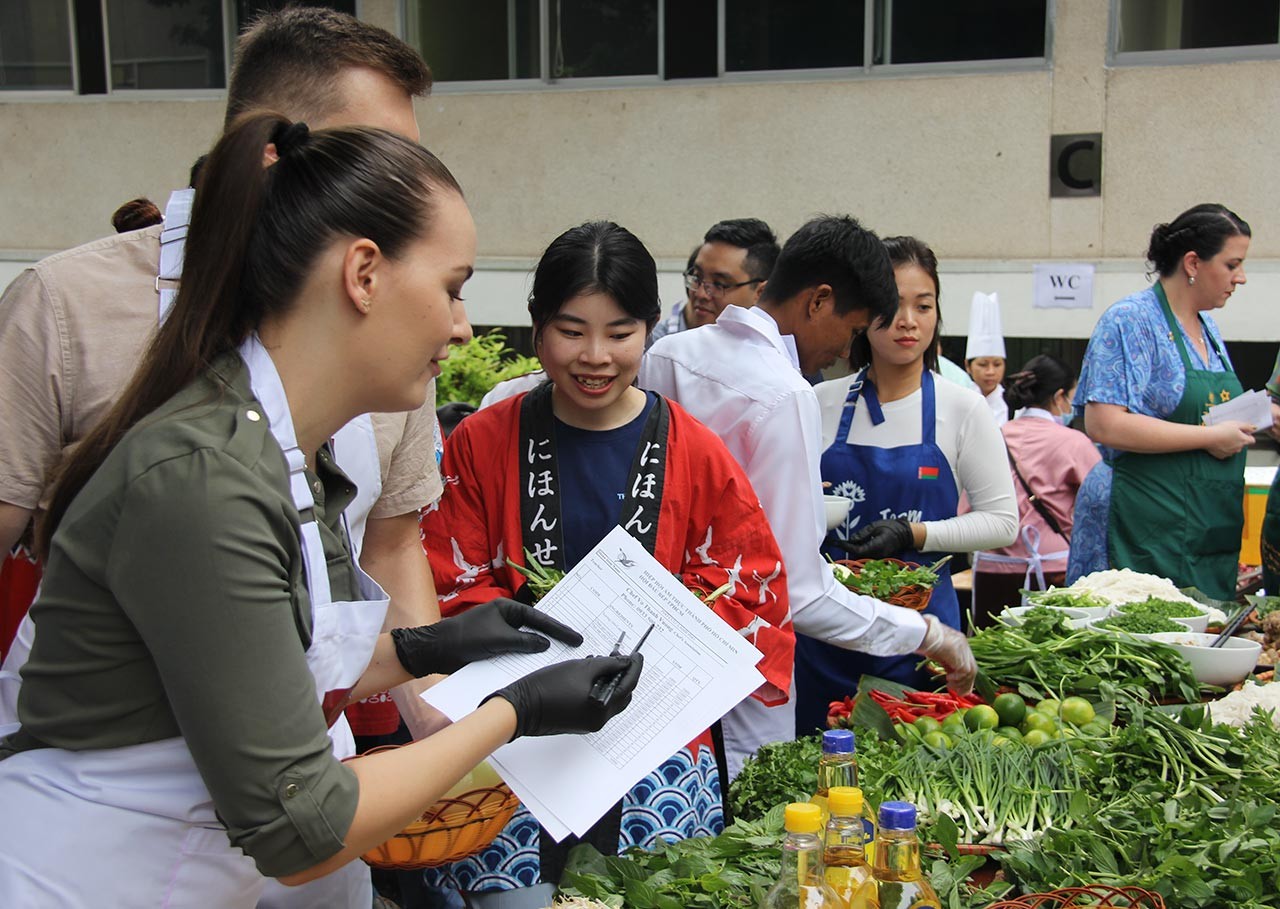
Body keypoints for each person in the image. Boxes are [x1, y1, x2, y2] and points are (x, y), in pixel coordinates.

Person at [0, 113, 640, 908]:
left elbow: (260, 659)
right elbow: (297, 831)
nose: (461, 325)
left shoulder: (283, 451)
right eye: (452, 288)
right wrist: (517, 709)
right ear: (363, 273)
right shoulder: (207, 478)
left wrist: (427, 644)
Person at [0, 9, 462, 906]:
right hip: (126, 822)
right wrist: (500, 719)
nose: (455, 325)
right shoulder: (70, 310)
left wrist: (437, 682)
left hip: (297, 788)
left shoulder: (387, 359)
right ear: (274, 158)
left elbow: (383, 548)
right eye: (366, 160)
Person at [420, 221, 794, 891]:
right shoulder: (482, 440)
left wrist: (676, 634)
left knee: (660, 893)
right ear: (537, 328)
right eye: (571, 330)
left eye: (620, 333)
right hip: (511, 736)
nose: (595, 355)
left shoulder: (696, 450)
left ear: (651, 328)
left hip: (655, 746)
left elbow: (750, 586)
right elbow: (446, 581)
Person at [641, 216, 977, 772]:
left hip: (655, 653)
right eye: (851, 331)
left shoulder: (669, 354)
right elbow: (796, 591)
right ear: (819, 300)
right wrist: (929, 633)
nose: (845, 351)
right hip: (737, 674)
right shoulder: (786, 393)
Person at [801, 236, 1015, 722]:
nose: (908, 321)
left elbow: (1003, 523)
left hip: (922, 640)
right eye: (893, 305)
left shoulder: (962, 407)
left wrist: (915, 534)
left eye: (924, 305)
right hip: (826, 633)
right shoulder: (818, 401)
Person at [1071, 203, 1253, 601]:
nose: (1240, 278)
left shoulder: (1208, 328)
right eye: (1232, 264)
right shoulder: (1130, 320)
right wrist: (1208, 437)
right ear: (1193, 262)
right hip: (1137, 521)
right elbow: (1105, 424)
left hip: (1199, 526)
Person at [970, 354, 1100, 625]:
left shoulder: (992, 436)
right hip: (1054, 571)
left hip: (991, 570)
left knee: (992, 653)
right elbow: (1100, 503)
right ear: (1060, 396)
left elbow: (965, 507)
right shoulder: (1074, 443)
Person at [648, 218, 779, 346]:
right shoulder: (654, 350)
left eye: (719, 284)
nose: (700, 294)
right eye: (697, 277)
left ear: (760, 293)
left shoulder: (773, 354)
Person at [965, 291, 1009, 426]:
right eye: (983, 364)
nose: (990, 371)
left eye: (997, 364)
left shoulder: (1012, 402)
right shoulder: (960, 399)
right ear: (968, 366)